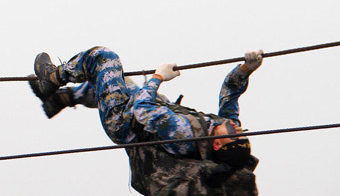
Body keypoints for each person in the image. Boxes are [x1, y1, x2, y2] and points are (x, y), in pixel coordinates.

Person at [30, 46, 263, 170]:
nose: (235, 126)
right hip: (137, 109)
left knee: (104, 60)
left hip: (122, 122)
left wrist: (158, 76)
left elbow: (143, 109)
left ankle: (52, 78)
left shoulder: (186, 136)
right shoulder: (224, 126)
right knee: (115, 82)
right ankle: (60, 99)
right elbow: (229, 94)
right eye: (241, 130)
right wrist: (246, 69)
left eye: (234, 134)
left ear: (217, 144)